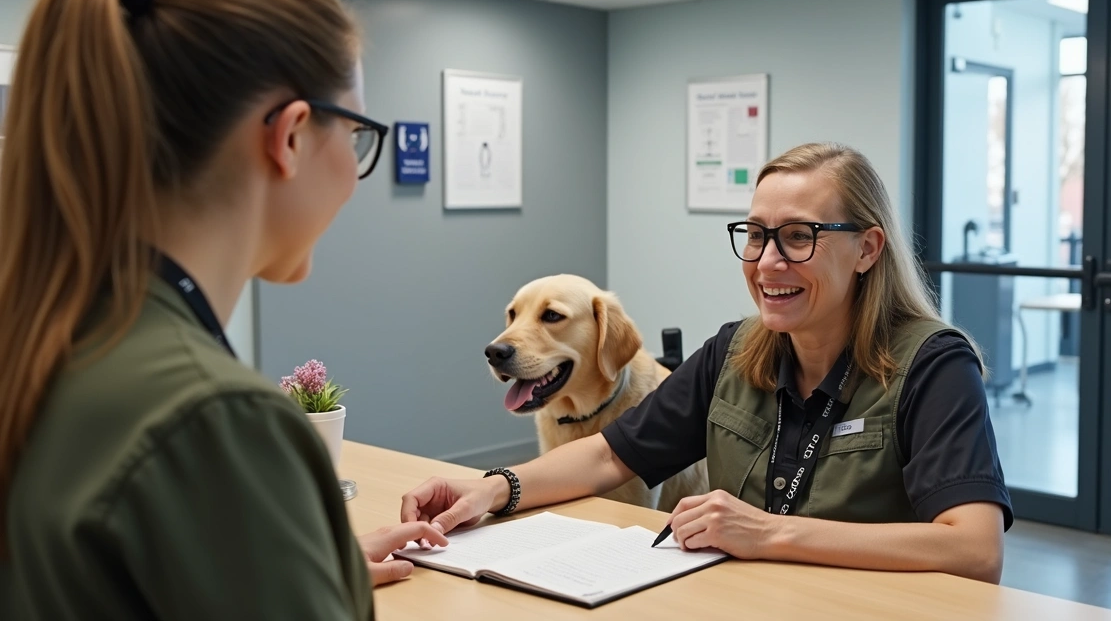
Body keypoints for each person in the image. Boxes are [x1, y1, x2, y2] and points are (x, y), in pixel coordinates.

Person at [0, 0, 445, 618]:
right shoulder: (217, 420)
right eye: (355, 134)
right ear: (290, 135)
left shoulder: (44, 342)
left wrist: (310, 559)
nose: (353, 171)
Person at [401, 142, 1014, 584]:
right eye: (755, 234)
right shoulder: (735, 350)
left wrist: (767, 532)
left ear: (867, 248)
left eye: (798, 236)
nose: (768, 261)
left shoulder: (934, 365)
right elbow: (610, 453)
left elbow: (975, 549)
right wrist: (491, 489)